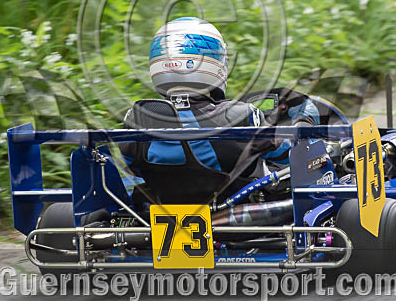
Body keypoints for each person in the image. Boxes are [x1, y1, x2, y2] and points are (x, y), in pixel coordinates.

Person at [120, 17, 316, 188]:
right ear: (214, 62)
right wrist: (303, 125)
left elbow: (131, 171)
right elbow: (289, 158)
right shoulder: (239, 115)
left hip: (153, 216)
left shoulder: (138, 118)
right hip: (236, 221)